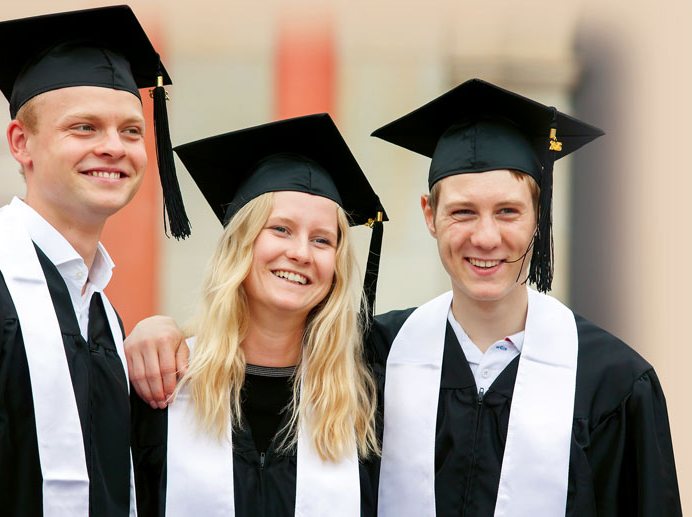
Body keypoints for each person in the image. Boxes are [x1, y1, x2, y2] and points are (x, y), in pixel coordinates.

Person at [124, 79, 682, 516]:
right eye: (463, 210)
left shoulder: (614, 381)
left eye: (508, 211)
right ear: (429, 216)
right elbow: (266, 343)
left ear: (540, 219)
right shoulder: (379, 356)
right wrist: (161, 331)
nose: (486, 237)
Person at [0, 6, 187, 516]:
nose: (114, 147)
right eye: (85, 127)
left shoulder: (103, 317)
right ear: (21, 143)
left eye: (132, 131)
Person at [130, 113, 386, 516]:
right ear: (240, 244)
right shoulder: (166, 388)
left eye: (322, 240)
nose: (301, 253)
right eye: (281, 229)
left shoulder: (365, 401)